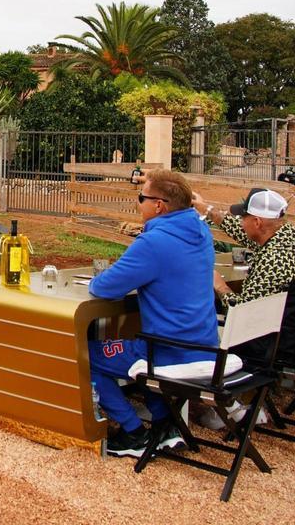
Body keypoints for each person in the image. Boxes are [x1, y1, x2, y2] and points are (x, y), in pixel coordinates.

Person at [88, 169, 217, 457]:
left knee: (83, 355)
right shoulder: (202, 233)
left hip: (168, 351)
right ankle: (164, 424)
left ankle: (133, 432)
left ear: (158, 205)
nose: (138, 204)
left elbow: (104, 287)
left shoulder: (153, 243)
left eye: (141, 198)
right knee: (135, 345)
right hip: (206, 347)